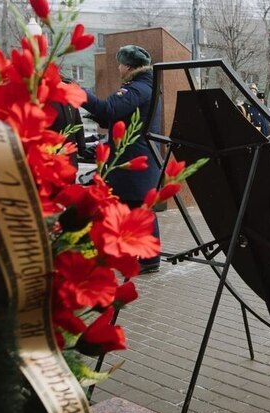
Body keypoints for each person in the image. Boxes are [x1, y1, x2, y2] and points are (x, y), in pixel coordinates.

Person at [82, 44, 162, 274]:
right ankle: (145, 257)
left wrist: (82, 94)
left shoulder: (137, 88)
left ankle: (146, 258)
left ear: (127, 66)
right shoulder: (146, 85)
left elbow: (109, 109)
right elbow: (116, 116)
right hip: (136, 158)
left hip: (133, 159)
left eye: (120, 63)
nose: (118, 67)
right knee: (134, 206)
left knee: (136, 207)